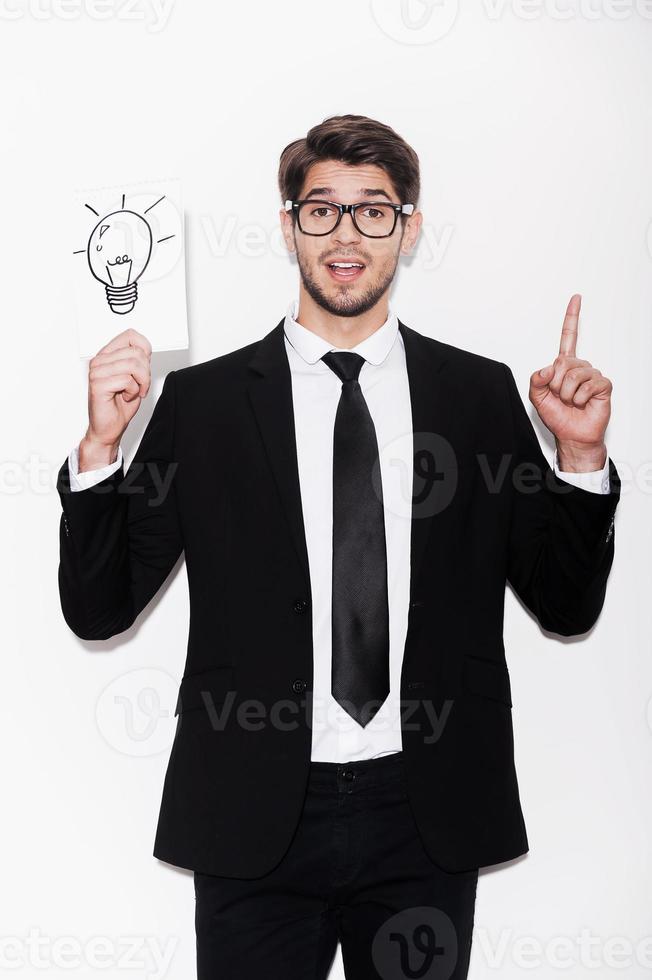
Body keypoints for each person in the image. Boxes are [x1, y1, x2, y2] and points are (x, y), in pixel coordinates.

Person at [56, 114, 620, 980]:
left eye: (374, 211)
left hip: (423, 813)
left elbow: (567, 605)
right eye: (321, 210)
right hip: (254, 815)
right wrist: (100, 451)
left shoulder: (476, 396)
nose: (347, 234)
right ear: (288, 228)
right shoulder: (204, 406)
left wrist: (579, 459)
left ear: (409, 228)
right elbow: (99, 612)